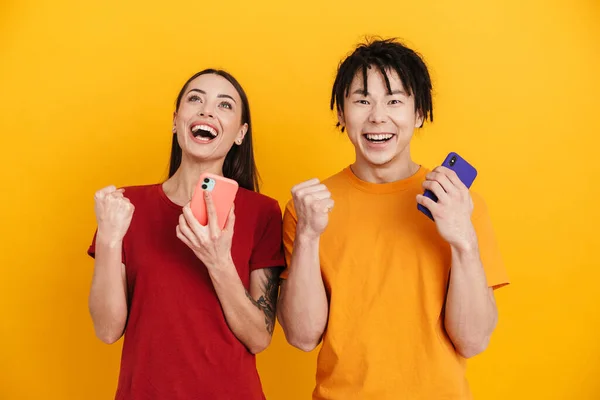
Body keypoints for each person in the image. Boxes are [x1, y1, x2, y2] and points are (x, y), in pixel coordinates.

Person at [277, 38, 510, 399]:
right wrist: (308, 235)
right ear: (341, 112)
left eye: (394, 100)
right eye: (362, 100)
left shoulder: (461, 204)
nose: (377, 116)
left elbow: (473, 340)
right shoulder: (308, 208)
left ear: (419, 113)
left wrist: (463, 240)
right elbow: (302, 337)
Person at [88, 69, 284, 400]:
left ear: (240, 133)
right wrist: (108, 239)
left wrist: (218, 261)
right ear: (176, 120)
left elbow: (259, 338)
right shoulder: (126, 207)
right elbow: (107, 331)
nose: (207, 111)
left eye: (225, 105)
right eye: (195, 99)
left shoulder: (262, 213)